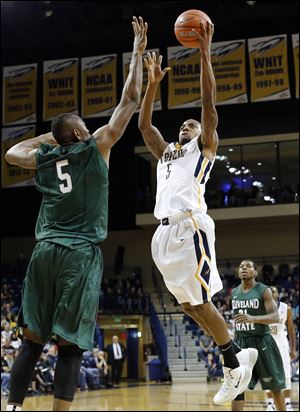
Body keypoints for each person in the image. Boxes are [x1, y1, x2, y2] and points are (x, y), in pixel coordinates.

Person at [4, 16, 147, 412]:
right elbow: (130, 102)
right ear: (82, 135)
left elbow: (11, 153)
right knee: (70, 344)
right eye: (84, 125)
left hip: (43, 252)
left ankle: (13, 407)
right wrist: (136, 51)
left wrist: (51, 137)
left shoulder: (46, 158)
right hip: (77, 255)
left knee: (33, 338)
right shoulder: (95, 146)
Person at [138, 21, 257, 405]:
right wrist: (152, 85)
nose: (188, 126)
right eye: (184, 125)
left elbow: (208, 104)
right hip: (163, 235)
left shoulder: (202, 147)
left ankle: (234, 365)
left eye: (192, 125)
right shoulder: (167, 154)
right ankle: (237, 356)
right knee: (189, 305)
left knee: (202, 302)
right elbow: (144, 126)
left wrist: (205, 53)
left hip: (191, 226)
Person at [231, 260, 286, 412]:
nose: (243, 268)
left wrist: (253, 319)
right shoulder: (234, 292)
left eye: (248, 266)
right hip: (241, 342)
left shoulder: (264, 290)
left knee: (274, 387)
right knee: (237, 388)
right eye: (241, 266)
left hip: (262, 342)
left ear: (255, 272)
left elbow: (275, 317)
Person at [265, 286, 297, 411]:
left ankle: (287, 403)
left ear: (277, 294)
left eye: (273, 291)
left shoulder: (285, 308)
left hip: (282, 343)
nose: (270, 293)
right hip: (267, 344)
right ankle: (270, 404)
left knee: (286, 373)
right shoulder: (260, 309)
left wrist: (293, 349)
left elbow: (291, 331)